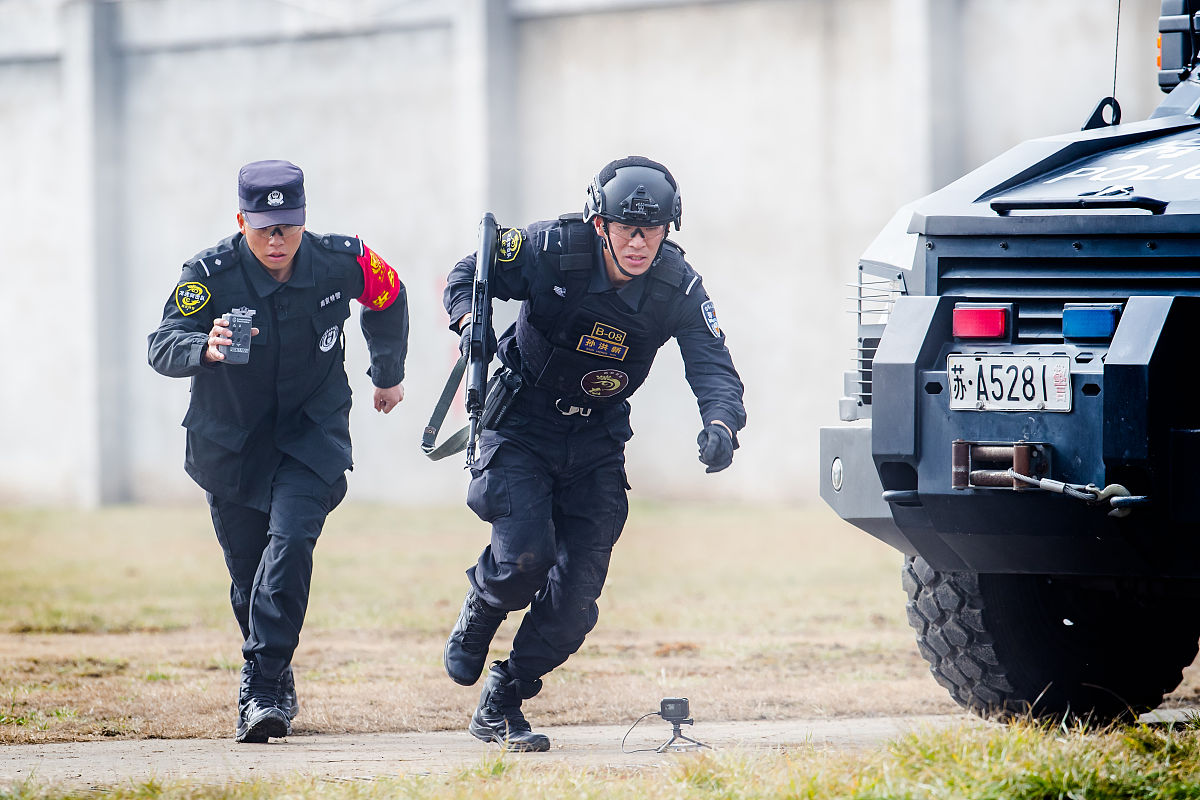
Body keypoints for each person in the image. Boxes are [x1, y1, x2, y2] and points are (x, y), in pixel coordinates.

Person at [441, 155, 746, 751]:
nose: (639, 242)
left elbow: (712, 363)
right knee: (525, 558)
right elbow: (465, 276)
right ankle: (482, 606)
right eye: (627, 228)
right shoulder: (552, 247)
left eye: (653, 229)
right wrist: (466, 324)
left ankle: (506, 697)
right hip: (521, 427)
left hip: (597, 442)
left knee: (577, 601)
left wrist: (722, 423)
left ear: (668, 229)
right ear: (600, 223)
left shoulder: (678, 285)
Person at [147, 160, 409, 743]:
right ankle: (276, 669)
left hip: (310, 435)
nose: (276, 239)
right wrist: (204, 347)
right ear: (242, 221)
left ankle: (260, 686)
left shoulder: (343, 259)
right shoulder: (208, 275)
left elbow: (389, 294)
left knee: (289, 544)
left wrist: (386, 371)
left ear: (302, 220)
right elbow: (161, 345)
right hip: (231, 443)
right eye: (263, 226)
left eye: (286, 226)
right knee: (250, 577)